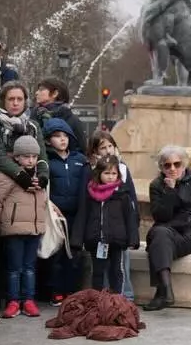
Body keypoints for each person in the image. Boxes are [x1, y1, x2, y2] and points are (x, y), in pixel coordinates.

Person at [144, 144, 191, 311]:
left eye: (177, 164)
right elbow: (160, 217)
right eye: (167, 165)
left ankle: (161, 293)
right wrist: (170, 191)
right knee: (159, 234)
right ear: (161, 167)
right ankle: (166, 290)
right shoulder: (156, 185)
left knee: (158, 236)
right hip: (166, 232)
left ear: (184, 164)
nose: (172, 168)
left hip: (189, 235)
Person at [0, 134, 47, 318]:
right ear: (17, 157)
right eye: (26, 156)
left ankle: (28, 300)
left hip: (34, 229)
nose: (31, 160)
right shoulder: (7, 174)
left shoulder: (39, 176)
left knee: (29, 267)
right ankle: (13, 301)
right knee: (14, 268)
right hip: (14, 230)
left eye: (34, 156)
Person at [71, 154, 139, 294]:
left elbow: (130, 218)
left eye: (114, 173)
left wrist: (133, 239)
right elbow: (83, 215)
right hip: (97, 241)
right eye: (106, 173)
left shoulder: (122, 195)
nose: (110, 176)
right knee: (98, 272)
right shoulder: (91, 194)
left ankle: (117, 301)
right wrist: (77, 240)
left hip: (117, 241)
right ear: (99, 174)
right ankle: (98, 302)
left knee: (117, 271)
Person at [88, 130, 138, 301]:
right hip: (99, 232)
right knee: (100, 268)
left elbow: (131, 198)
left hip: (119, 229)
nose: (108, 150)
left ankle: (125, 297)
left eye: (110, 146)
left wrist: (133, 229)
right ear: (95, 151)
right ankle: (102, 298)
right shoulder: (92, 171)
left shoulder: (122, 168)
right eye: (103, 147)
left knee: (120, 266)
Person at [44, 117, 88, 304]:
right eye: (57, 136)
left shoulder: (80, 160)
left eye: (66, 136)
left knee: (74, 254)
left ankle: (72, 290)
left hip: (76, 214)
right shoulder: (47, 161)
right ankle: (56, 291)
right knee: (56, 254)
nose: (63, 140)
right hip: (55, 216)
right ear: (48, 140)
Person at [0, 81, 48, 196]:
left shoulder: (33, 126)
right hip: (0, 183)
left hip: (31, 183)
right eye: (11, 99)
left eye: (19, 99)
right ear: (3, 101)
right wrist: (19, 174)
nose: (15, 103)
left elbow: (41, 155)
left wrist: (43, 176)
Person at [34, 78, 87, 155]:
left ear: (55, 93)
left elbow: (80, 148)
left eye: (41, 90)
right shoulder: (34, 115)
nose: (36, 93)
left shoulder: (71, 119)